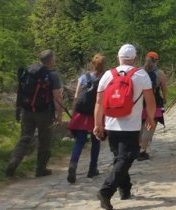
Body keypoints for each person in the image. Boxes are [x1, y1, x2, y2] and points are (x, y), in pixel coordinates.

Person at [93, 44, 156, 210]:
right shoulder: (141, 74)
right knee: (126, 158)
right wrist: (150, 117)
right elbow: (150, 101)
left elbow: (99, 102)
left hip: (111, 124)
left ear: (118, 58)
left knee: (119, 158)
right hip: (131, 125)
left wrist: (98, 123)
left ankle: (125, 190)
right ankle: (106, 191)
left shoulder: (108, 75)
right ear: (134, 59)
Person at [6, 49, 63, 178]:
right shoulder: (52, 75)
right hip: (44, 112)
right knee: (44, 140)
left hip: (26, 110)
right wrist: (59, 116)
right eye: (54, 58)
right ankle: (40, 169)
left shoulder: (29, 71)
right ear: (51, 60)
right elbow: (57, 97)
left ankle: (13, 162)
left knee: (25, 138)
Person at [66, 52, 107, 183]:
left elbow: (77, 97)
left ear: (92, 64)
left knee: (79, 141)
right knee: (96, 141)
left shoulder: (84, 77)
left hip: (82, 114)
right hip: (96, 114)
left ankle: (73, 164)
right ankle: (92, 168)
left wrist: (73, 114)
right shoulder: (106, 78)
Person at [137, 51, 167, 161]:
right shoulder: (160, 73)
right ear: (156, 61)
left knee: (140, 126)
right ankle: (142, 151)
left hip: (140, 102)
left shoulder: (139, 72)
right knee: (149, 126)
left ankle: (138, 148)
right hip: (154, 102)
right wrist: (165, 99)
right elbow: (164, 88)